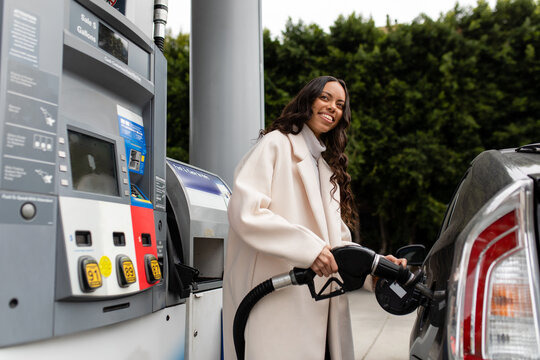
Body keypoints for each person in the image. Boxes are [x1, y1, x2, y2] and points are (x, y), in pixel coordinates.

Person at [222, 76, 406, 360]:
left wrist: (377, 267)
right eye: (325, 97)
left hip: (318, 305)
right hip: (277, 302)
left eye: (340, 104)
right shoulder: (275, 145)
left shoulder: (325, 168)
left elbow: (339, 244)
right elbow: (246, 212)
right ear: (307, 100)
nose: (333, 107)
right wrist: (309, 250)